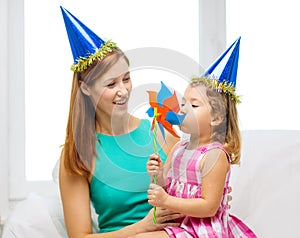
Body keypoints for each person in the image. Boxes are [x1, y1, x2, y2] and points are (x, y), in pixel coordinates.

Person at [59, 6, 232, 237]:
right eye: (111, 84)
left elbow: (198, 188)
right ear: (86, 88)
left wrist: (216, 197)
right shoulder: (77, 155)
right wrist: (142, 226)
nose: (123, 91)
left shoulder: (163, 133)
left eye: (127, 79)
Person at [131, 38, 257, 237]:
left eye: (194, 105)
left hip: (202, 230)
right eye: (183, 103)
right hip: (178, 225)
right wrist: (158, 173)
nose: (183, 109)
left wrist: (166, 201)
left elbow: (209, 207)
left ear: (216, 117)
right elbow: (167, 186)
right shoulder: (179, 148)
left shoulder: (214, 156)